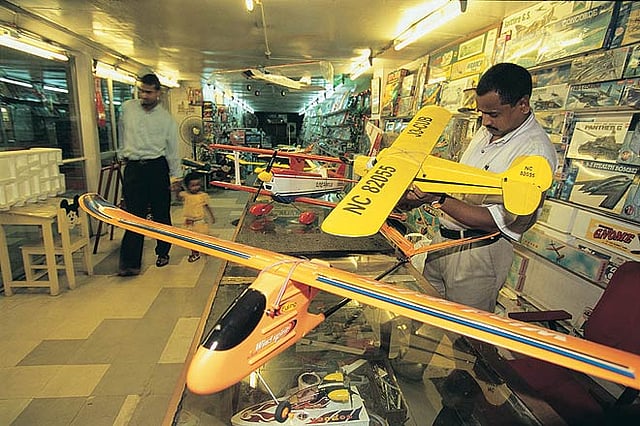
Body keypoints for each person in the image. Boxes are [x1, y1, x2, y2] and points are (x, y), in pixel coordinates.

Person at [399, 63, 557, 312]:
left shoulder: (535, 153)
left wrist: (437, 198)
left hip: (479, 253)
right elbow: (461, 187)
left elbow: (494, 221)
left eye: (493, 113)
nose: (485, 121)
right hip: (443, 243)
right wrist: (417, 197)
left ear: (523, 105)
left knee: (464, 331)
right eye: (481, 112)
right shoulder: (488, 130)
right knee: (427, 318)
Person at [117, 73, 181, 276]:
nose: (144, 95)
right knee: (133, 216)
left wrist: (176, 176)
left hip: (157, 167)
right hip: (134, 168)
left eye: (148, 92)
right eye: (141, 91)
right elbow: (121, 131)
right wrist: (122, 153)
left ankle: (163, 252)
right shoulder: (128, 108)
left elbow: (172, 150)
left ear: (158, 93)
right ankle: (130, 263)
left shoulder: (166, 119)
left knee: (161, 213)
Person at [177, 172, 215, 262]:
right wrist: (177, 187)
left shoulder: (203, 196)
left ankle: (206, 249)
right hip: (189, 222)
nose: (196, 187)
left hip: (200, 222)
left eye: (198, 184)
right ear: (187, 186)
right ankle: (195, 253)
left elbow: (207, 207)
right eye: (193, 185)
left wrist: (212, 216)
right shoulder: (185, 195)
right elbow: (178, 197)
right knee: (191, 240)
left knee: (204, 237)